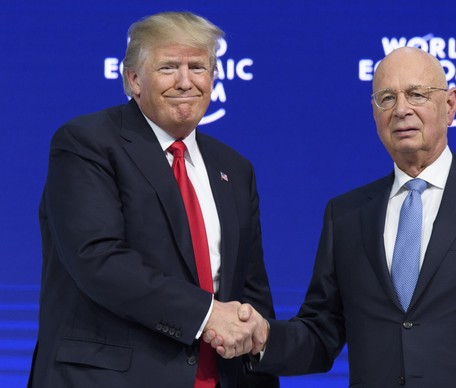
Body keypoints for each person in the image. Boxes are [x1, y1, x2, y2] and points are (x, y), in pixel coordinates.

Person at [210, 47, 456, 387]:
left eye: (417, 94)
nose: (401, 109)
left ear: (450, 105)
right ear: (374, 114)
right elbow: (322, 332)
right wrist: (264, 337)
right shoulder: (346, 215)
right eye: (387, 98)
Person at [28, 11, 277, 388]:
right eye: (168, 67)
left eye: (198, 66)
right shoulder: (87, 143)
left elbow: (250, 290)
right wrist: (207, 315)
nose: (185, 81)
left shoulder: (234, 169)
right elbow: (98, 259)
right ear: (133, 80)